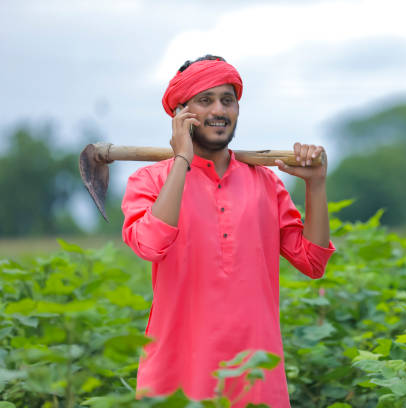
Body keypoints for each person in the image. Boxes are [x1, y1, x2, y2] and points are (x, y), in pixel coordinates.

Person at [121, 54, 335, 407]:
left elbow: (313, 262)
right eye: (205, 101)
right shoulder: (149, 180)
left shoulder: (266, 183)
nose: (219, 110)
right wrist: (181, 160)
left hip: (256, 377)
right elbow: (151, 244)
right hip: (176, 378)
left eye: (227, 100)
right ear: (180, 114)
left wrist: (316, 187)